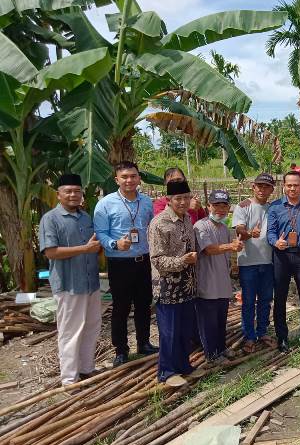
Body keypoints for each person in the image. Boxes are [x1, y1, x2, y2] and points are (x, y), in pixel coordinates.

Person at [39, 174, 102, 385]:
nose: (74, 195)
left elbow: (95, 246)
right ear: (58, 195)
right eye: (68, 191)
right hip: (69, 284)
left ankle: (86, 369)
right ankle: (69, 379)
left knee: (92, 327)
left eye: (77, 191)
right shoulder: (51, 219)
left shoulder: (85, 217)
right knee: (70, 332)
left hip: (91, 282)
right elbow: (50, 252)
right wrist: (85, 249)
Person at [94, 161, 157, 367]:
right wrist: (114, 243)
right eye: (124, 177)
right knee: (121, 307)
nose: (129, 180)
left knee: (143, 305)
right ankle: (121, 350)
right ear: (116, 180)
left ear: (139, 178)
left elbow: (151, 228)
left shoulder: (147, 202)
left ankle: (143, 343)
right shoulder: (105, 203)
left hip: (143, 261)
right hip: (119, 263)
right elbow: (101, 233)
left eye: (133, 176)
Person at [148, 180, 204, 387]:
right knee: (169, 330)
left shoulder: (187, 219)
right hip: (167, 284)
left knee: (184, 328)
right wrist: (182, 261)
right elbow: (156, 259)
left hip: (187, 283)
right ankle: (166, 371)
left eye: (185, 198)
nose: (182, 202)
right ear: (168, 200)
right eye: (178, 199)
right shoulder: (159, 223)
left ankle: (184, 366)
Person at [267, 171, 300, 353]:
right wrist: (275, 242)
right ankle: (282, 337)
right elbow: (270, 232)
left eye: (296, 185)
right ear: (284, 186)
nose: (292, 188)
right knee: (280, 296)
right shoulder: (274, 207)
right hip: (281, 256)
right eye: (289, 185)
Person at [194, 190, 244, 363]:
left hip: (222, 282)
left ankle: (221, 349)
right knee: (208, 322)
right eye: (216, 205)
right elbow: (209, 249)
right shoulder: (201, 226)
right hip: (207, 283)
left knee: (220, 319)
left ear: (229, 208)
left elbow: (230, 253)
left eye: (224, 206)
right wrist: (231, 246)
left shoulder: (224, 228)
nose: (220, 210)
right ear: (208, 206)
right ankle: (211, 354)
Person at [232, 173, 277, 353]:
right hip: (248, 262)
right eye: (259, 186)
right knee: (249, 300)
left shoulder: (273, 208)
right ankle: (249, 335)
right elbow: (239, 231)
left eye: (266, 187)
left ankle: (263, 331)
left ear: (272, 190)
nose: (262, 189)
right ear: (253, 187)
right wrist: (251, 233)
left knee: (266, 299)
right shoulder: (243, 206)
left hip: (268, 262)